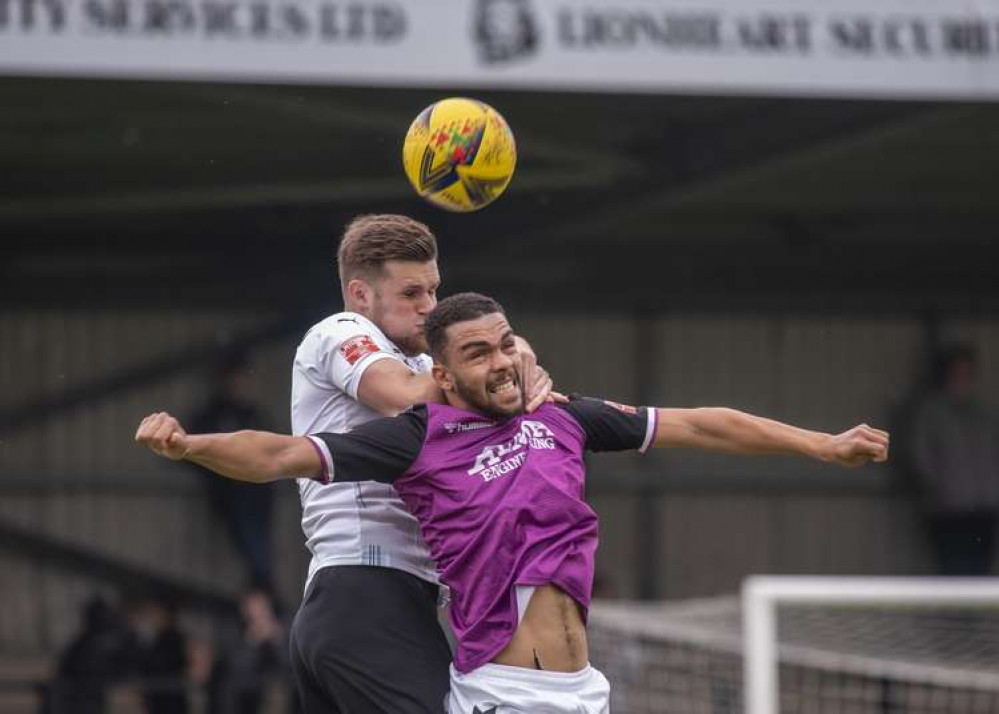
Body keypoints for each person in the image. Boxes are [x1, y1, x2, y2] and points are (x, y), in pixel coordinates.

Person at [136, 292, 890, 713]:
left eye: (505, 344)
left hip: (583, 693)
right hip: (500, 694)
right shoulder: (416, 436)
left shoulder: (562, 415)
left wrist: (819, 444)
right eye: (477, 353)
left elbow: (700, 424)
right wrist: (189, 445)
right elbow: (278, 453)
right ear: (441, 375)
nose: (500, 361)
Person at [287, 215, 553, 712]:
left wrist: (511, 357)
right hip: (365, 592)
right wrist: (504, 366)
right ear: (361, 294)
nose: (429, 308)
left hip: (377, 601)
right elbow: (402, 397)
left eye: (433, 290)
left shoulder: (422, 361)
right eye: (412, 294)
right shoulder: (341, 332)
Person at [910, 343, 999, 575]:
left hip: (984, 508)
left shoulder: (984, 414)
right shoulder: (932, 413)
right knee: (952, 571)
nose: (963, 380)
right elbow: (922, 457)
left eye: (967, 374)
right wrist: (939, 489)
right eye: (957, 373)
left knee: (980, 572)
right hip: (948, 510)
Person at [188, 350, 275, 588]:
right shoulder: (213, 414)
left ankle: (262, 594)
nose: (242, 385)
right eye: (237, 378)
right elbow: (190, 447)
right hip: (230, 493)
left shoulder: (255, 416)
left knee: (259, 553)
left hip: (258, 493)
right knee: (252, 553)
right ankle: (260, 593)